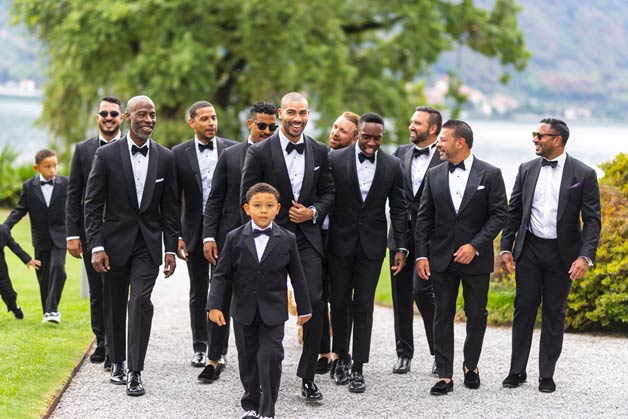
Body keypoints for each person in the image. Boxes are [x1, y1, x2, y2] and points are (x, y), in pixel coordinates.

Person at [240, 92, 335, 401]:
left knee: (316, 303)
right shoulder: (260, 152)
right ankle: (260, 375)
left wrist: (313, 212)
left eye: (303, 113)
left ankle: (308, 376)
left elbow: (329, 192)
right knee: (261, 305)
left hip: (307, 238)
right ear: (281, 113)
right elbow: (247, 195)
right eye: (292, 112)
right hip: (270, 237)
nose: (298, 118)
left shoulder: (320, 151)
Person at [84, 95, 179, 397]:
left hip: (148, 245)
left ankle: (135, 371)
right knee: (113, 304)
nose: (149, 120)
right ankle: (117, 361)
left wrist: (170, 248)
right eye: (143, 115)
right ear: (127, 117)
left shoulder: (166, 157)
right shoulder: (107, 155)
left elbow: (171, 207)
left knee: (140, 302)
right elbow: (92, 203)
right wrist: (96, 245)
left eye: (153, 115)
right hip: (112, 245)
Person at [500, 118, 601, 393]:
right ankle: (516, 370)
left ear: (557, 140)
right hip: (530, 250)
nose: (535, 139)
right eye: (535, 134)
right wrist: (506, 248)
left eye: (539, 135)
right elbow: (514, 213)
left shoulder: (583, 174)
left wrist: (585, 256)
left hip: (563, 254)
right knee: (524, 310)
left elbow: (592, 221)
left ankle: (547, 374)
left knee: (555, 314)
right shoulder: (526, 169)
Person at [415, 119, 507, 395]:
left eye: (442, 140)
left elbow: (499, 214)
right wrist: (421, 256)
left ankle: (471, 365)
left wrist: (475, 245)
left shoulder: (490, 174)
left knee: (476, 314)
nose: (438, 145)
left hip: (475, 259)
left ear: (460, 142)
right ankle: (444, 373)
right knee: (442, 314)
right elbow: (424, 218)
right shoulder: (434, 174)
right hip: (441, 258)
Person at [208, 182, 312, 419]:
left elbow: (298, 275)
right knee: (247, 359)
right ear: (247, 209)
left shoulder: (287, 239)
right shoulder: (234, 238)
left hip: (273, 310)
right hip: (243, 310)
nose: (263, 210)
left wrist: (304, 309)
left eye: (269, 206)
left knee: (271, 356)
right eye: (257, 205)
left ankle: (267, 410)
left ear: (278, 209)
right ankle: (251, 404)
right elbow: (222, 274)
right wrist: (214, 305)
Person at [327, 112, 408, 393]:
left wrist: (399, 246)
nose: (372, 142)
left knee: (363, 305)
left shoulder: (393, 165)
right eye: (366, 136)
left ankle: (358, 367)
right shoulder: (334, 160)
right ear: (357, 133)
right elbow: (326, 197)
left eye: (377, 138)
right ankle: (340, 358)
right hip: (339, 244)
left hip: (372, 247)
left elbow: (399, 209)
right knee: (337, 303)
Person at [200, 101, 277, 382]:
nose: (268, 131)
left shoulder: (278, 156)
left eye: (273, 127)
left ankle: (259, 356)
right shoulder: (230, 155)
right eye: (262, 126)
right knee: (219, 294)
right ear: (250, 124)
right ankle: (214, 357)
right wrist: (209, 236)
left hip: (267, 242)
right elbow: (215, 198)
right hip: (229, 238)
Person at [172, 100, 237, 370]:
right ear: (192, 123)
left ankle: (218, 349)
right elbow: (172, 200)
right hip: (194, 232)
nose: (211, 123)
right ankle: (200, 346)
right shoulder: (178, 153)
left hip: (226, 230)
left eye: (214, 118)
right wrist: (176, 235)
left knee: (223, 291)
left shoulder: (232, 149)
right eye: (205, 119)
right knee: (199, 291)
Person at [66, 96, 123, 367]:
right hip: (91, 232)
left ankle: (115, 347)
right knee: (97, 292)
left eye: (114, 113)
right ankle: (101, 340)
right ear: (97, 118)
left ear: (122, 118)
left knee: (117, 292)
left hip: (123, 233)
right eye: (104, 113)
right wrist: (72, 235)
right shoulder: (83, 150)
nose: (109, 117)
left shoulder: (129, 148)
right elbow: (73, 195)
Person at [388, 106, 442, 375]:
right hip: (398, 235)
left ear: (432, 129)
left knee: (425, 292)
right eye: (411, 122)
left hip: (431, 239)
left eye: (417, 123)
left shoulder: (445, 158)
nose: (411, 126)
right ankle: (403, 354)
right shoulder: (399, 153)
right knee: (400, 297)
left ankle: (438, 353)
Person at [316, 111, 359, 378]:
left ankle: (342, 352)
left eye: (342, 131)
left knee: (342, 300)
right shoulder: (320, 156)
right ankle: (323, 352)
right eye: (334, 127)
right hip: (317, 237)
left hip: (345, 240)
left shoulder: (359, 165)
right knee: (317, 297)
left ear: (355, 137)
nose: (335, 133)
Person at [5, 149, 68, 324]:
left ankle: (53, 310)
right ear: (36, 167)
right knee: (43, 277)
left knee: (58, 269)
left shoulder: (66, 183)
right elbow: (20, 209)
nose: (53, 170)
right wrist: (6, 225)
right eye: (47, 167)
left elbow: (74, 209)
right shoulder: (28, 186)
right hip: (40, 239)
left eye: (55, 166)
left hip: (60, 237)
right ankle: (48, 312)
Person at [0, 223, 40, 319]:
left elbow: (14, 246)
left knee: (9, 294)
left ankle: (15, 308)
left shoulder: (2, 231)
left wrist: (28, 260)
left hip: (1, 273)